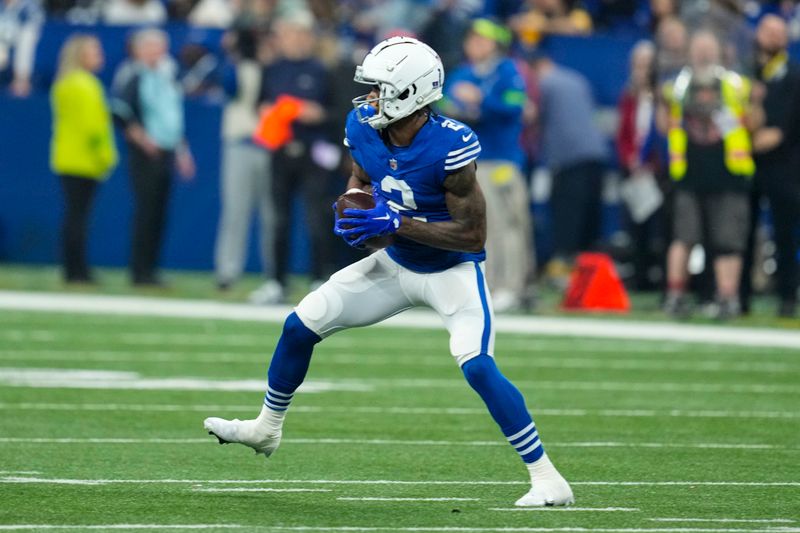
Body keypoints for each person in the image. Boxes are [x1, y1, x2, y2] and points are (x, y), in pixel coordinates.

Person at [204, 36, 574, 508]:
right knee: (299, 326)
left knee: (478, 365)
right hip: (394, 263)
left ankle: (547, 478)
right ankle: (265, 428)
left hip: (450, 272)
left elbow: (472, 237)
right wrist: (355, 206)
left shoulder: (450, 145)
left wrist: (397, 222)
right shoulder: (362, 125)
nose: (370, 98)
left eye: (380, 89)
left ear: (412, 93)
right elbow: (360, 176)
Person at [659, 30, 762, 319]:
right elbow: (664, 125)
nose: (703, 53)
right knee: (683, 237)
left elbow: (754, 122)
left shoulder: (736, 85)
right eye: (699, 48)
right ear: (690, 51)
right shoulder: (676, 85)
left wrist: (753, 104)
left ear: (720, 51)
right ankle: (676, 295)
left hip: (728, 171)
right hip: (689, 172)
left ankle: (727, 297)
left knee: (728, 240)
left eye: (708, 48)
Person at [441, 18, 533, 312]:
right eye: (472, 39)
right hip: (469, 162)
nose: (475, 44)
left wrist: (481, 100)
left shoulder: (507, 71)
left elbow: (514, 106)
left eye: (482, 39)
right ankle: (488, 284)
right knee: (478, 226)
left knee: (506, 225)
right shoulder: (462, 72)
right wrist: (461, 106)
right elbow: (442, 104)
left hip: (500, 160)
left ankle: (511, 286)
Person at [258, 11, 337, 299]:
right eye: (290, 33)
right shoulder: (272, 69)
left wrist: (316, 114)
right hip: (280, 151)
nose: (296, 40)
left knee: (316, 218)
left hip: (313, 152)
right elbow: (261, 103)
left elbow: (336, 112)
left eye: (301, 34)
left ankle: (319, 278)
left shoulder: (321, 70)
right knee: (278, 219)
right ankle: (277, 281)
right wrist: (266, 113)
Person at [112, 29, 196, 287]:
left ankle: (152, 269)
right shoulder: (133, 74)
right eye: (152, 47)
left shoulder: (166, 74)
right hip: (146, 152)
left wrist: (182, 151)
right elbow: (121, 113)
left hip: (167, 150)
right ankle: (140, 271)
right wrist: (144, 140)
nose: (158, 52)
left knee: (159, 212)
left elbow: (172, 115)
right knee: (146, 211)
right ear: (139, 49)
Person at [529, 52, 608, 283]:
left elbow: (531, 116)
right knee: (589, 220)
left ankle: (565, 274)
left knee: (566, 218)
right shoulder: (577, 79)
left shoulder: (544, 83)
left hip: (568, 159)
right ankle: (589, 275)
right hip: (597, 155)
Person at [741, 15, 800, 317]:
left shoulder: (792, 75)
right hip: (748, 166)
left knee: (784, 234)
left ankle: (787, 295)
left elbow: (781, 132)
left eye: (779, 33)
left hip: (784, 166)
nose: (774, 38)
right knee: (742, 232)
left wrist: (745, 144)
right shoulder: (747, 73)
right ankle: (740, 297)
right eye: (768, 32)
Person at [214, 30, 279, 297]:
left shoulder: (274, 70)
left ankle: (275, 273)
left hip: (269, 145)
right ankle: (227, 271)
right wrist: (229, 54)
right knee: (235, 211)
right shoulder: (238, 67)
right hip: (240, 142)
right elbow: (228, 86)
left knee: (271, 214)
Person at [50, 34, 118, 284]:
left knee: (74, 216)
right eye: (94, 52)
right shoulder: (85, 84)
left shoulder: (64, 82)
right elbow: (94, 128)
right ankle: (77, 271)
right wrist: (105, 156)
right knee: (79, 218)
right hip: (84, 160)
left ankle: (73, 268)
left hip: (66, 157)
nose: (100, 56)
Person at [616, 40, 666, 290]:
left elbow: (662, 134)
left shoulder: (663, 96)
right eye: (637, 64)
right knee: (636, 225)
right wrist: (630, 160)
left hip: (657, 171)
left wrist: (651, 163)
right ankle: (639, 276)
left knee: (662, 226)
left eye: (646, 65)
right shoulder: (629, 97)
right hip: (634, 171)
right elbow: (623, 133)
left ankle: (661, 277)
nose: (641, 70)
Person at [0, 0, 43, 97]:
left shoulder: (29, 7)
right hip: (2, 42)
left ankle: (21, 80)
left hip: (19, 40)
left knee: (27, 39)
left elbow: (33, 26)